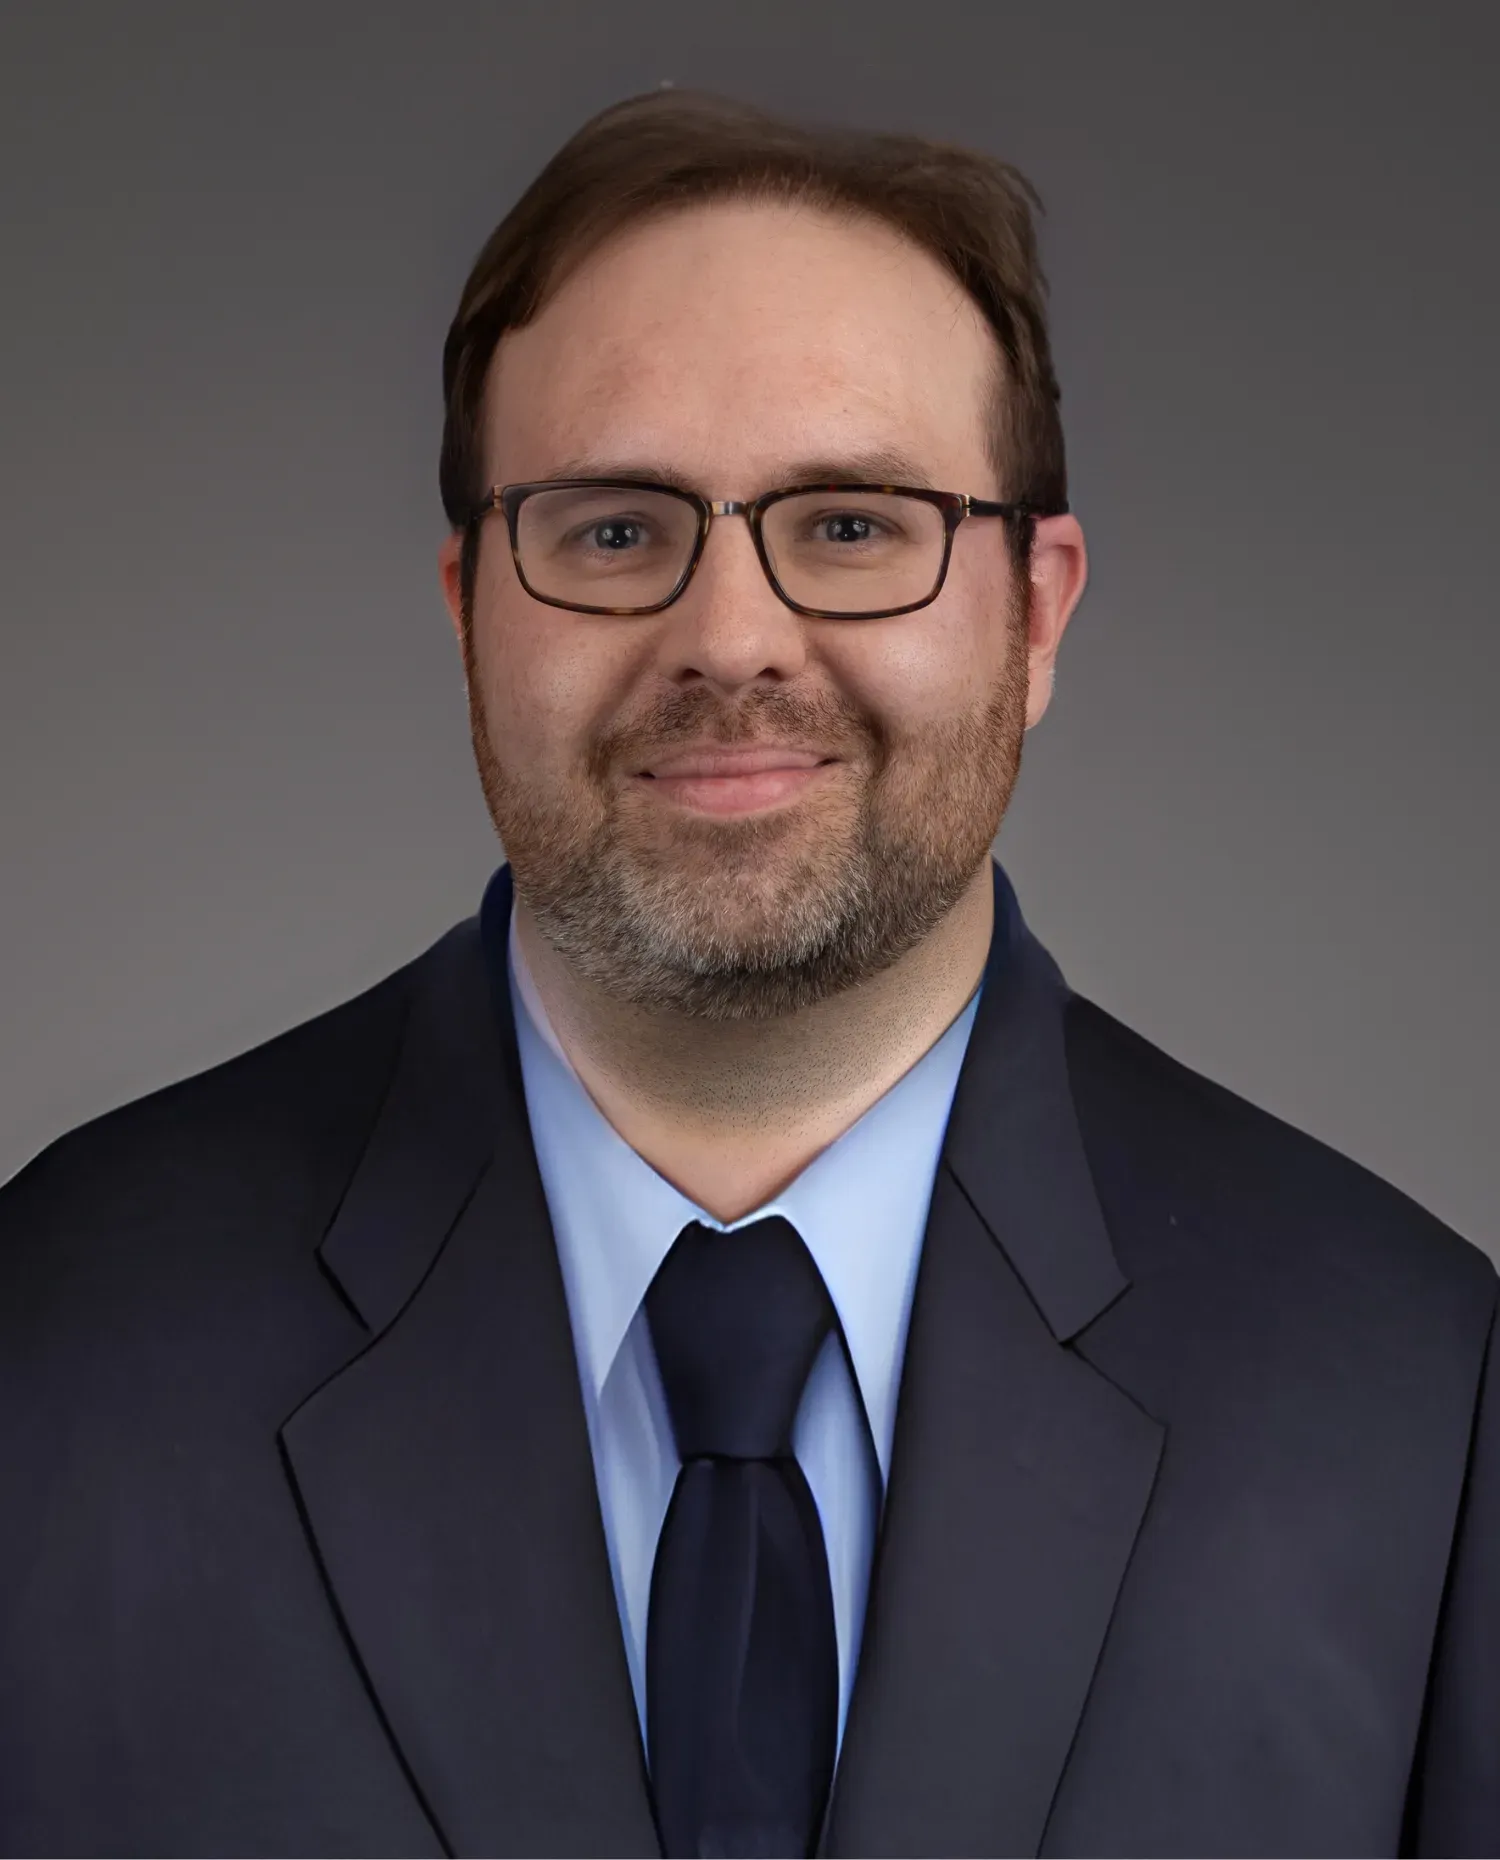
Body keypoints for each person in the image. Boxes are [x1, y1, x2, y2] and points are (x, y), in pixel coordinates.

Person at [0, 86, 1494, 1860]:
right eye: (614, 530)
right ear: (470, 607)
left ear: (1036, 614)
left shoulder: (1418, 1398)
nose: (729, 640)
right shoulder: (58, 1342)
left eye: (852, 525)